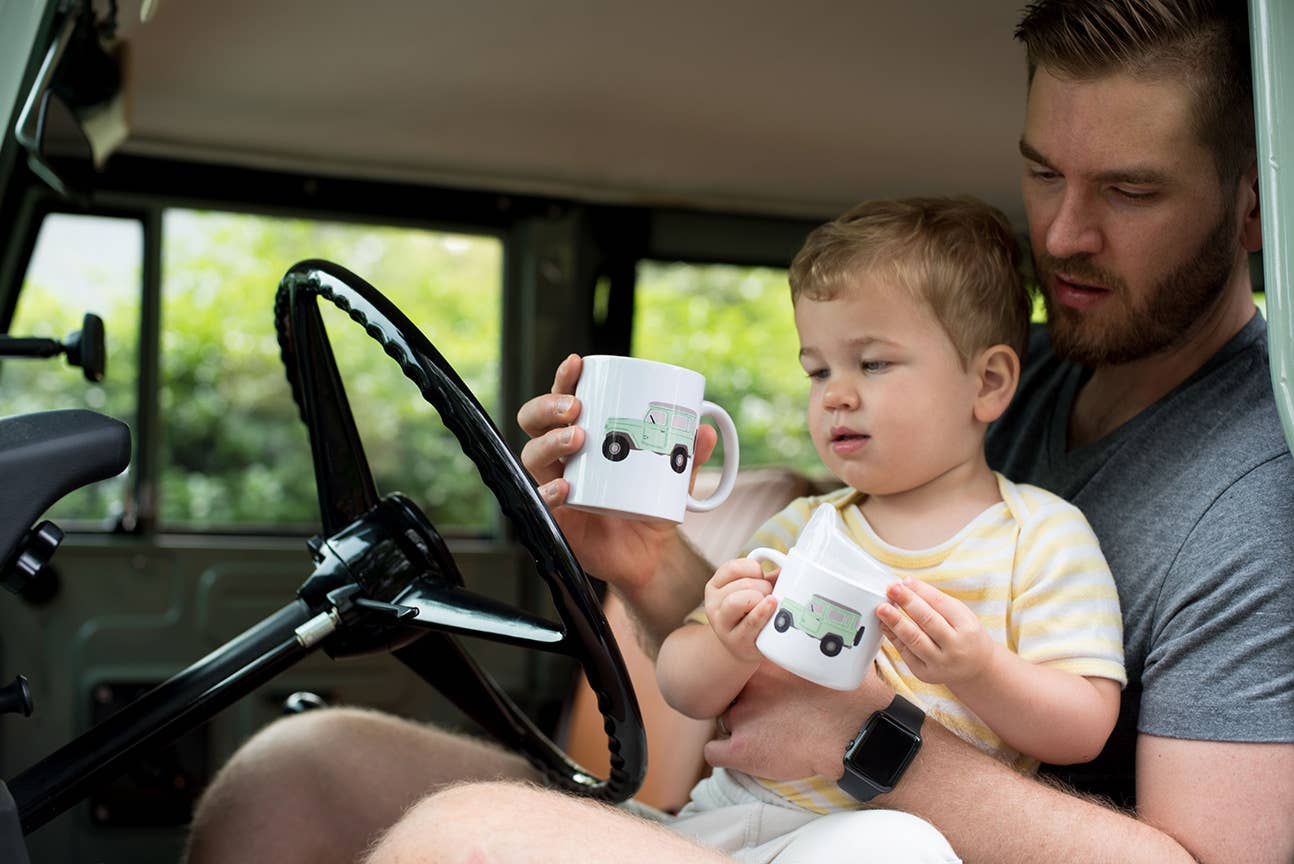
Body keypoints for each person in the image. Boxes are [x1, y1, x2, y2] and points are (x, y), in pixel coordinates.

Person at [184, 2, 1294, 863]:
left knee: (462, 840)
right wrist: (652, 565)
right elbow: (786, 670)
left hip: (885, 837)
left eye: (1130, 192)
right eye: (1042, 171)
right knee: (295, 777)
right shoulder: (1029, 374)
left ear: (1256, 205)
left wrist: (873, 747)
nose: (1059, 233)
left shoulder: (1256, 490)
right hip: (780, 818)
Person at [650, 197, 1125, 860]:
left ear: (987, 382)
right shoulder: (805, 528)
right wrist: (726, 646)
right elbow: (683, 687)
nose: (835, 394)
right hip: (736, 809)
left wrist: (979, 669)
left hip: (894, 828)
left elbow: (1083, 726)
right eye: (818, 370)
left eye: (872, 364)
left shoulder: (1042, 538)